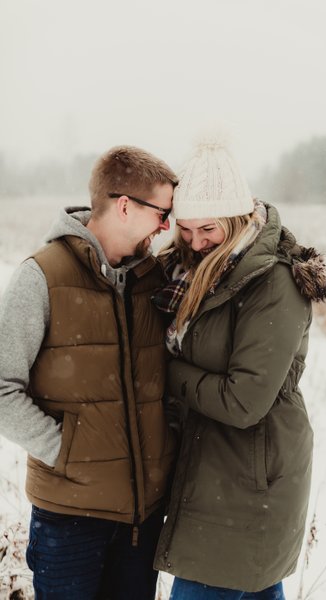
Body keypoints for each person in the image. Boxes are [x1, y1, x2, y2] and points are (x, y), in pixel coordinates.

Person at [0, 145, 179, 599]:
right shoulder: (41, 276)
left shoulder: (156, 282)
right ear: (124, 206)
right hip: (69, 521)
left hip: (140, 523)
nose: (167, 227)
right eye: (162, 213)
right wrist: (65, 451)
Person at [152, 141, 326, 599]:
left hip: (251, 477)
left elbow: (243, 400)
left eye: (207, 228)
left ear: (236, 218)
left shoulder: (274, 280)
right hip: (214, 468)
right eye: (185, 229)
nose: (195, 242)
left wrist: (163, 372)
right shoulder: (191, 271)